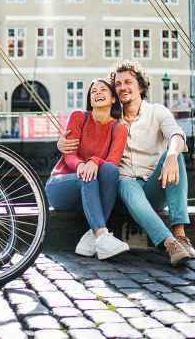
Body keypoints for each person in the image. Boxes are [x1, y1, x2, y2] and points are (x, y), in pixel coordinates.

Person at [58, 60, 195, 267]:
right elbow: (86, 135)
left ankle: (181, 235)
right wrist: (61, 143)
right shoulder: (110, 119)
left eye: (128, 82)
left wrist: (171, 155)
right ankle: (169, 244)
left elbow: (176, 134)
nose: (122, 87)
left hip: (154, 186)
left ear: (141, 86)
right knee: (126, 183)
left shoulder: (157, 112)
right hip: (124, 192)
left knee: (175, 155)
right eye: (118, 84)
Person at [46, 78, 130, 260]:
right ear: (90, 100)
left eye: (103, 90)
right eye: (93, 91)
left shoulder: (119, 128)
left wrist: (94, 161)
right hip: (61, 186)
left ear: (113, 99)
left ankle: (91, 239)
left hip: (90, 191)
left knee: (110, 170)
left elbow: (113, 161)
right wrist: (82, 164)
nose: (98, 93)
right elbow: (69, 154)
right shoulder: (79, 117)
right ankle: (102, 235)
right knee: (88, 175)